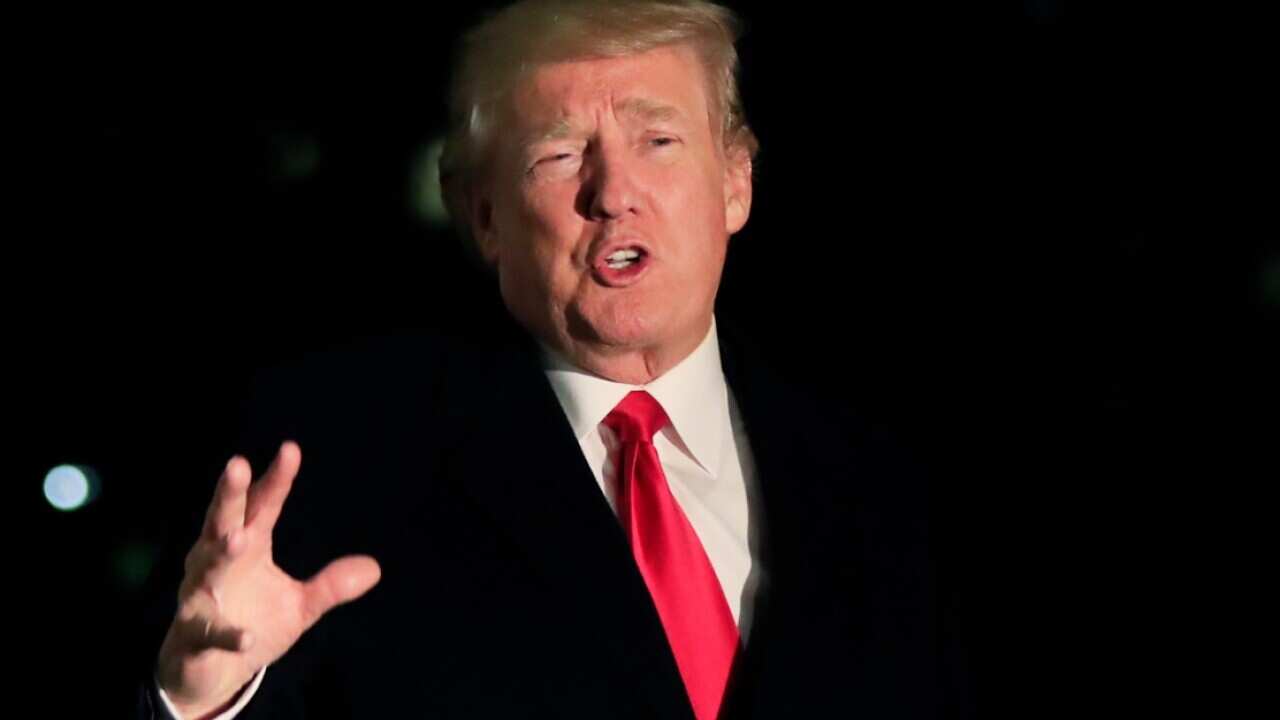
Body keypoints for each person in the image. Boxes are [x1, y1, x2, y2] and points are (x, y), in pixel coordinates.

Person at [137, 0, 967, 717]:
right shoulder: (339, 462)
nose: (613, 191)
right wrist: (204, 699)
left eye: (660, 139)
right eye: (559, 154)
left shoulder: (883, 476)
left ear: (736, 183)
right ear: (487, 216)